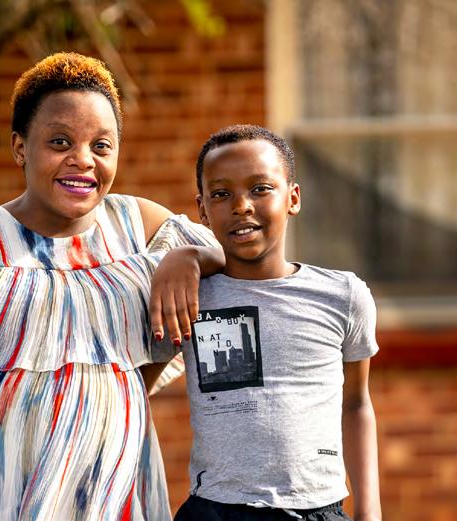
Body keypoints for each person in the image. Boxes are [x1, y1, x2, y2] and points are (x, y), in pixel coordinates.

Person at [0, 52, 221, 521]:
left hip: (104, 497)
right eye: (60, 142)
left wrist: (192, 256)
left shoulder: (142, 228)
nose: (83, 160)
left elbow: (237, 263)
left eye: (102, 145)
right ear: (20, 147)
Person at [155, 125, 382, 521]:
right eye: (221, 194)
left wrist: (369, 511)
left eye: (260, 188)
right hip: (216, 512)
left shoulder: (343, 296)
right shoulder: (190, 294)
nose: (241, 205)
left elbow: (356, 403)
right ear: (202, 209)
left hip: (317, 509)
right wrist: (183, 257)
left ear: (293, 198)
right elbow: (132, 390)